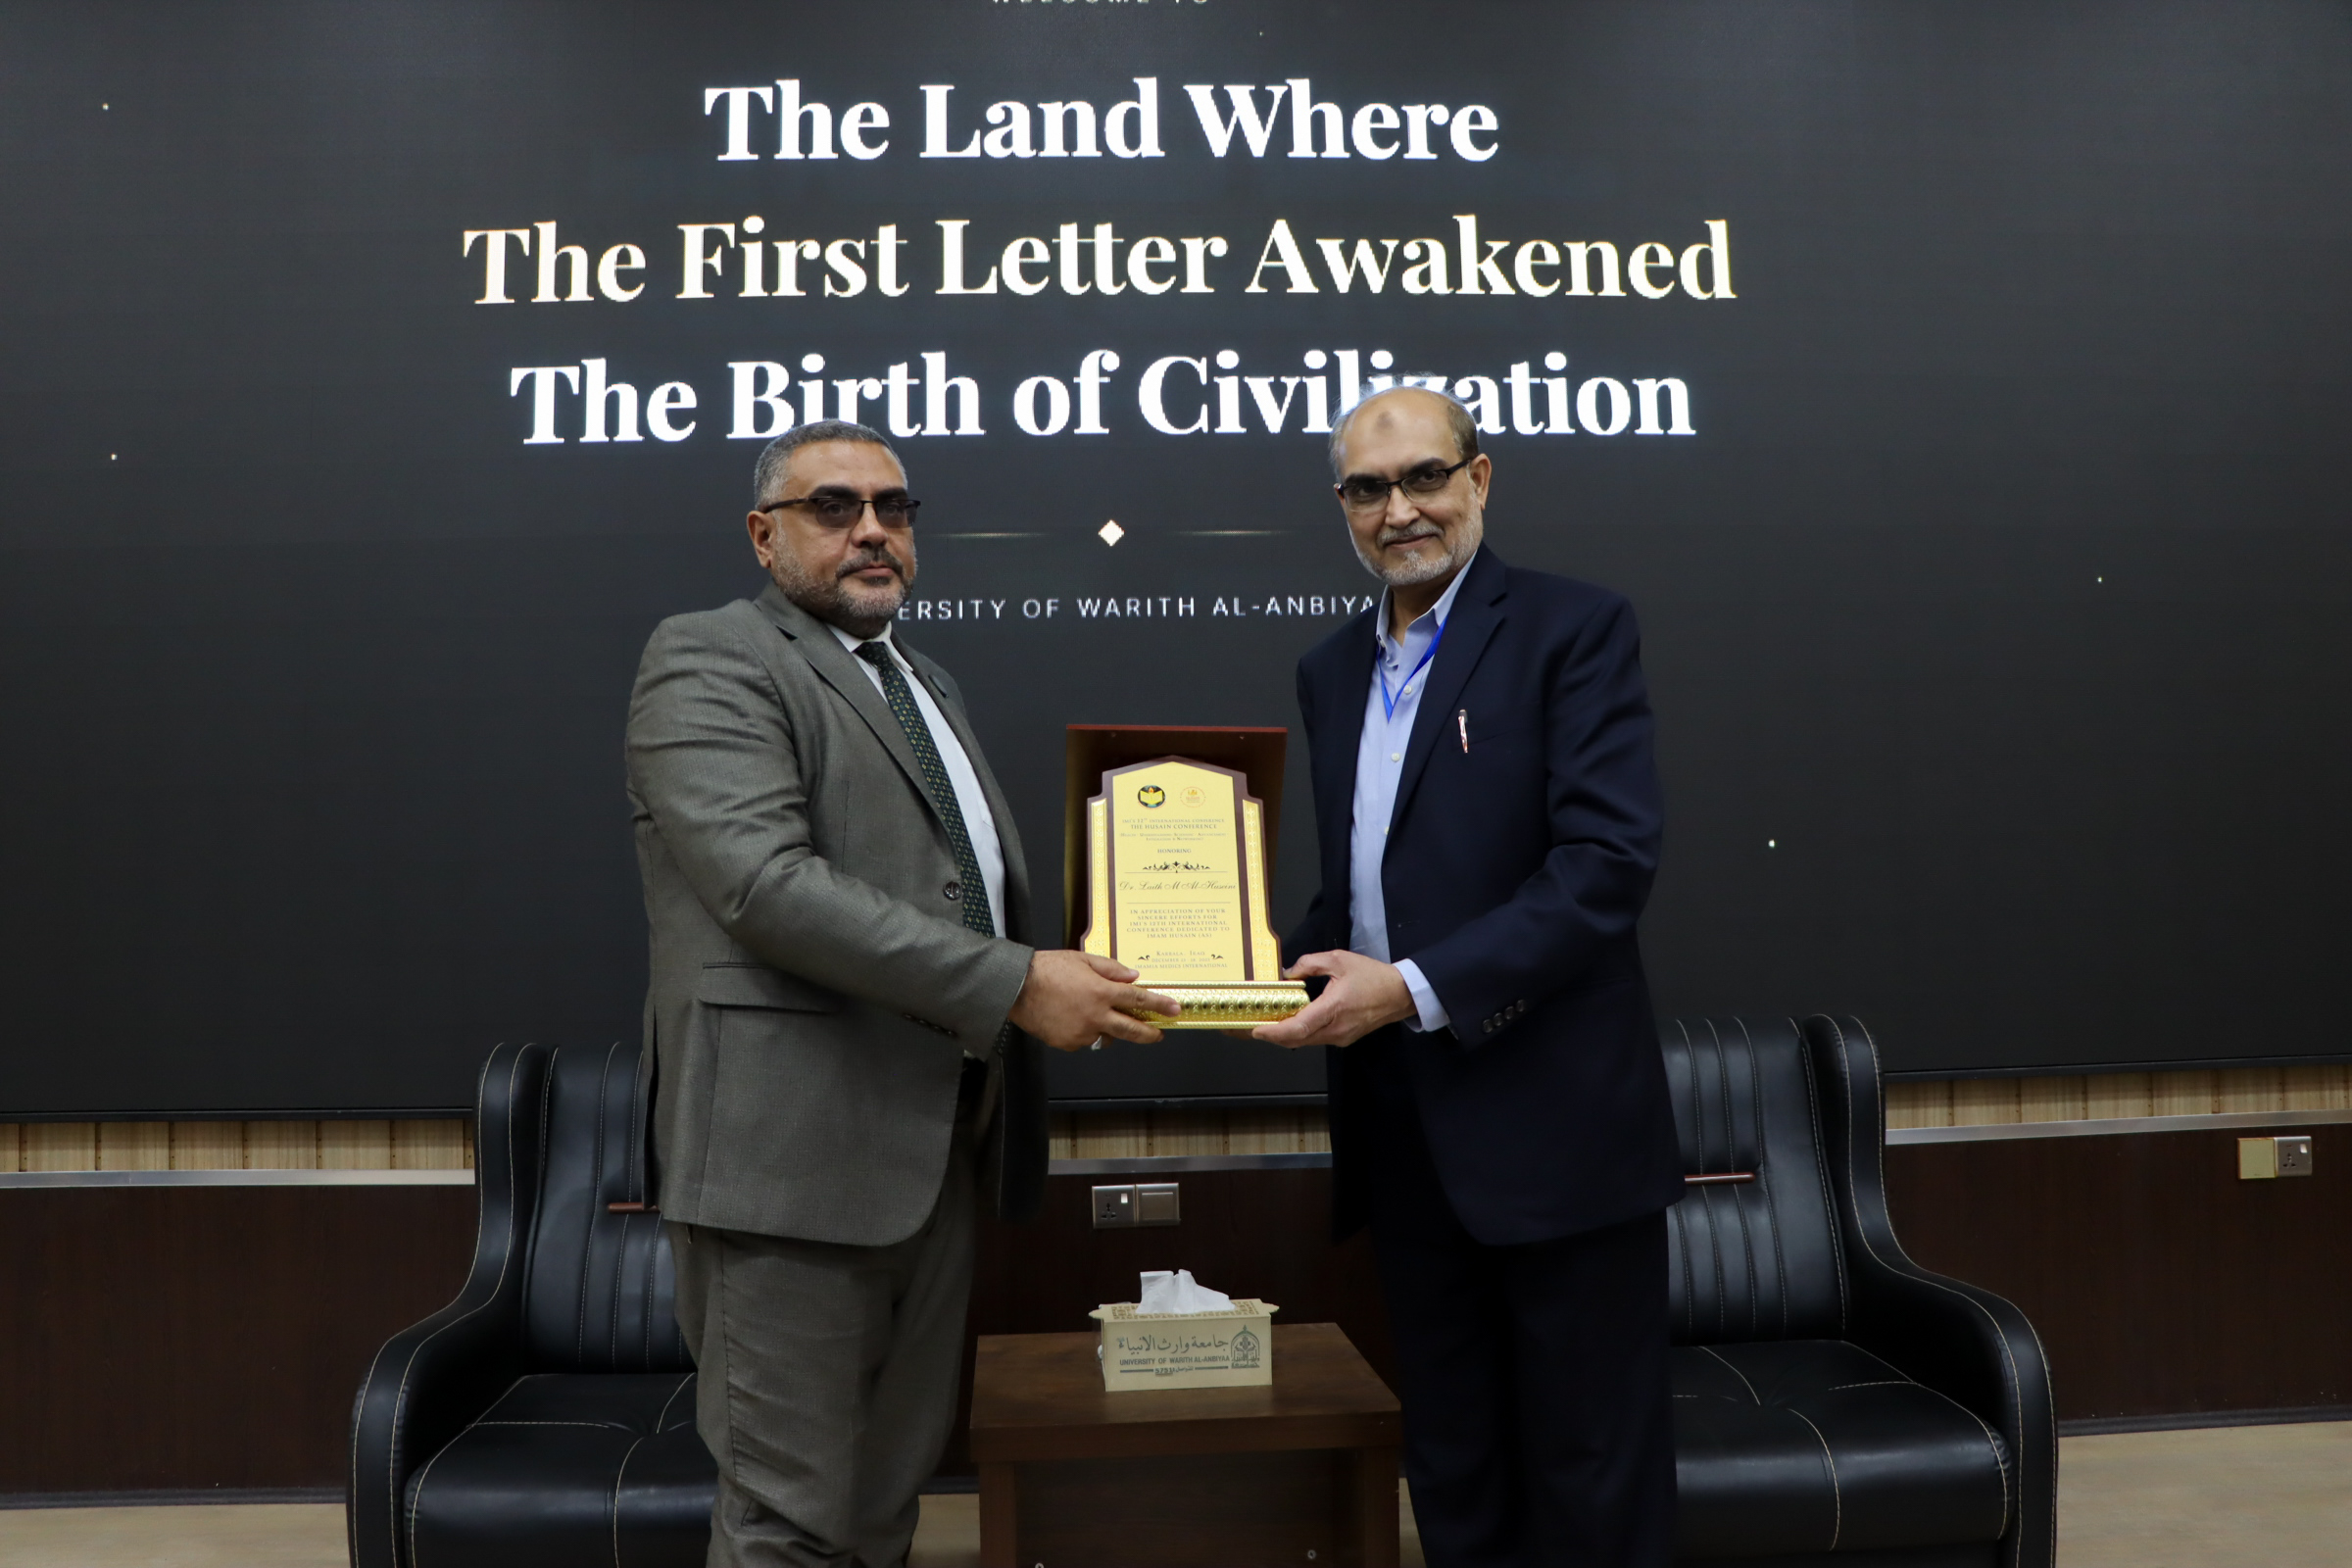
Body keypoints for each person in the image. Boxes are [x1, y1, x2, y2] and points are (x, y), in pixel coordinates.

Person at [624, 419, 1175, 1568]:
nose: (872, 529)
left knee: (883, 1506)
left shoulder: (923, 680)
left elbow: (948, 890)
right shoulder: (711, 655)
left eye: (894, 507)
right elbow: (766, 886)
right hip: (787, 1174)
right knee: (787, 1521)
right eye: (834, 507)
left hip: (931, 1163)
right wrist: (1017, 982)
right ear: (764, 534)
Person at [1254, 387, 1685, 1566]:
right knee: (1453, 1465)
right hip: (1406, 1133)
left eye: (1424, 477)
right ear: (1342, 506)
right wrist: (1242, 978)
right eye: (1368, 489)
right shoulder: (1329, 668)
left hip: (1558, 1132)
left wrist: (1408, 986)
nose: (1400, 509)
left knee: (1592, 1478)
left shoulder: (1572, 628)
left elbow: (1604, 866)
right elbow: (1358, 892)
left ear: (1479, 479)